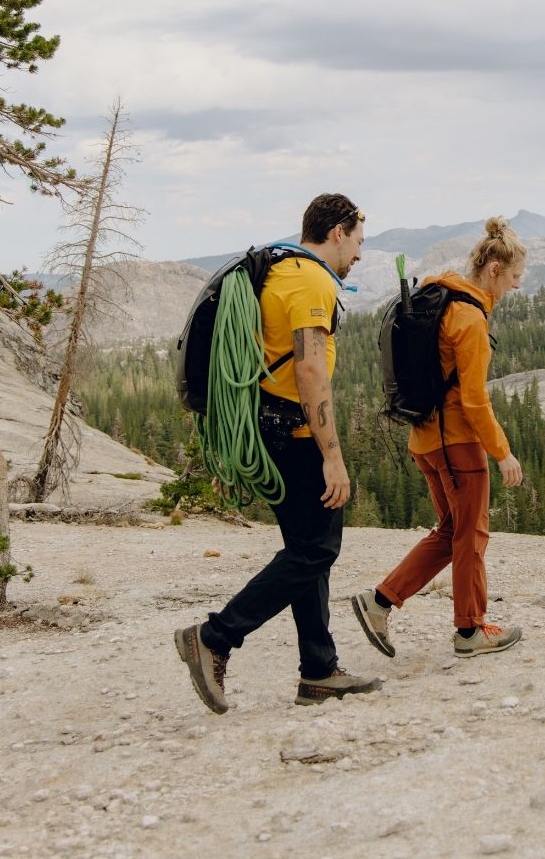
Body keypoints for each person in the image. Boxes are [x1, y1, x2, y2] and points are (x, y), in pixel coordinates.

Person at [175, 193, 382, 712]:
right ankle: (216, 637)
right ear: (337, 232)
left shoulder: (281, 269)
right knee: (316, 551)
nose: (358, 253)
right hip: (297, 435)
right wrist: (332, 455)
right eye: (358, 241)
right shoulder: (311, 280)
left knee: (307, 551)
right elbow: (310, 371)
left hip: (270, 428)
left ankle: (318, 670)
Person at [352, 216, 526, 659]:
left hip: (425, 441)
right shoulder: (470, 320)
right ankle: (470, 631)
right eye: (513, 278)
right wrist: (501, 453)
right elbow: (473, 401)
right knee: (470, 535)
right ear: (493, 272)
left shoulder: (441, 295)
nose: (515, 287)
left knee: (451, 531)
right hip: (458, 448)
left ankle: (380, 602)